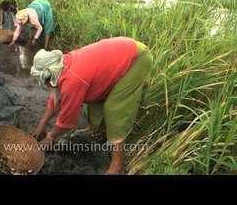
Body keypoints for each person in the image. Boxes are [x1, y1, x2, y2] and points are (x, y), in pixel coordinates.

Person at [30, 36, 153, 174]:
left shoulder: (72, 80)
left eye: (45, 80)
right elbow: (55, 98)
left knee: (115, 109)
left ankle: (117, 165)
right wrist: (42, 123)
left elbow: (66, 122)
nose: (46, 84)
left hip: (136, 58)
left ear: (50, 73)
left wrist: (49, 138)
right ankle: (95, 129)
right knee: (95, 98)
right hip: (117, 55)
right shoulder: (61, 65)